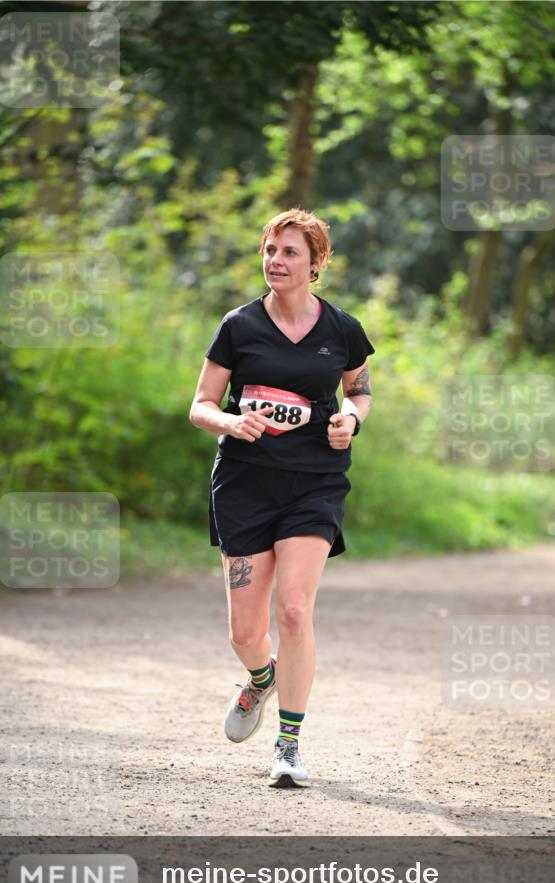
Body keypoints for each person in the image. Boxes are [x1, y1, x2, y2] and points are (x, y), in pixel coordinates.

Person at [189, 208, 374, 788]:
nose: (276, 261)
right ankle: (260, 679)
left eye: (290, 252)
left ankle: (289, 745)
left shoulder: (341, 329)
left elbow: (360, 392)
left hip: (313, 484)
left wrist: (351, 419)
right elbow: (199, 405)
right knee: (245, 633)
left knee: (294, 610)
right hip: (245, 484)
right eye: (270, 250)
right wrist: (228, 422)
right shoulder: (239, 326)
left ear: (316, 263)